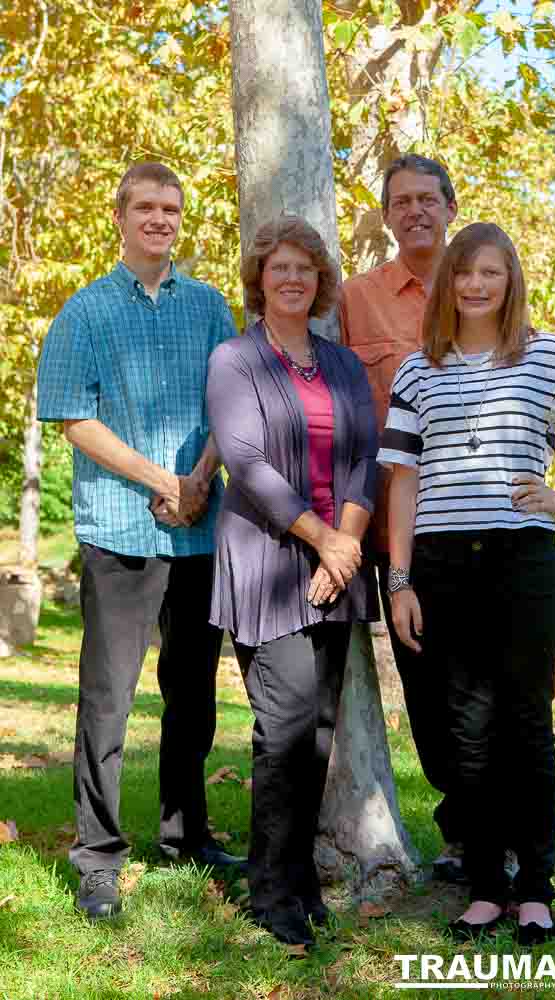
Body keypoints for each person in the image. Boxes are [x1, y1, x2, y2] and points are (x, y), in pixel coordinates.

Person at [378, 222, 555, 944]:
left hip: (521, 563)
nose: (474, 285)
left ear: (510, 281)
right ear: (447, 283)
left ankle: (534, 888)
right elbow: (402, 481)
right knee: (466, 733)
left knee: (526, 727)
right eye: (463, 272)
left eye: (489, 273)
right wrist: (400, 580)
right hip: (440, 567)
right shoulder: (417, 370)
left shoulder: (549, 355)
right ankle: (484, 887)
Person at [37, 161, 245, 921]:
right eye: (146, 207)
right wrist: (164, 480)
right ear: (120, 217)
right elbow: (72, 417)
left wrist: (199, 479)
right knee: (107, 701)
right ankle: (97, 856)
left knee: (192, 697)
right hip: (119, 531)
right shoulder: (85, 311)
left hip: (200, 533)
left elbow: (233, 406)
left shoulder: (210, 307)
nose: (160, 219)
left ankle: (185, 835)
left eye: (171, 209)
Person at [206, 216, 379, 947]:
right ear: (259, 278)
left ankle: (300, 876)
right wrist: (324, 541)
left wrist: (346, 547)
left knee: (319, 732)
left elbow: (366, 457)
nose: (292, 279)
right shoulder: (235, 359)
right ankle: (269, 890)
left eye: (305, 269)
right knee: (282, 730)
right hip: (267, 562)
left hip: (338, 562)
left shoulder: (341, 363)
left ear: (320, 282)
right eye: (280, 268)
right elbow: (245, 463)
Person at [341, 154, 471, 876]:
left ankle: (505, 832)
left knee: (484, 678)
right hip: (392, 522)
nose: (415, 211)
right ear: (387, 215)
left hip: (472, 516)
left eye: (427, 198)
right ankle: (464, 831)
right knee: (424, 678)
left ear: (451, 207)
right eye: (401, 201)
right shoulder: (356, 300)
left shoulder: (485, 287)